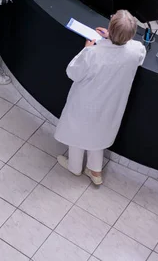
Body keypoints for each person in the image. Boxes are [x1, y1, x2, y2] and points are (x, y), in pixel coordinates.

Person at [54, 10, 145, 185]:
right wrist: (114, 37)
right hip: (111, 105)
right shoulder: (135, 51)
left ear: (110, 28)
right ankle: (95, 171)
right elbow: (136, 50)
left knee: (77, 133)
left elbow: (72, 72)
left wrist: (86, 48)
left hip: (86, 102)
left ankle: (75, 166)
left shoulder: (93, 53)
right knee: (98, 135)